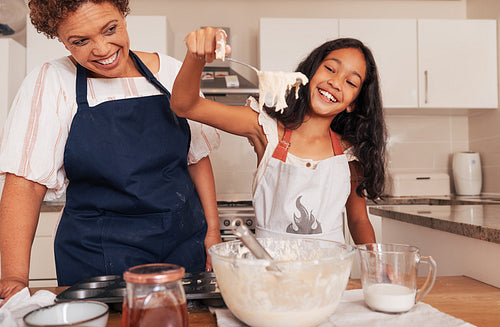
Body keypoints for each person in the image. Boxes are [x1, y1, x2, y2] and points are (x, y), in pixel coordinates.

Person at [0, 0, 222, 300]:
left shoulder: (170, 72)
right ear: (60, 38)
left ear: (123, 14)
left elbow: (196, 159)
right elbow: (25, 185)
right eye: (80, 41)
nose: (102, 49)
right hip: (96, 258)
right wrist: (14, 277)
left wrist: (212, 231)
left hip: (183, 246)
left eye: (110, 29)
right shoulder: (51, 81)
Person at [171, 27, 387, 245]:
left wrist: (377, 264)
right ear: (309, 73)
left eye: (351, 82)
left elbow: (359, 220)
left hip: (329, 274)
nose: (336, 82)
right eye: (330, 68)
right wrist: (195, 58)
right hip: (270, 271)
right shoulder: (266, 129)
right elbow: (185, 106)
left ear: (353, 104)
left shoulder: (349, 153)